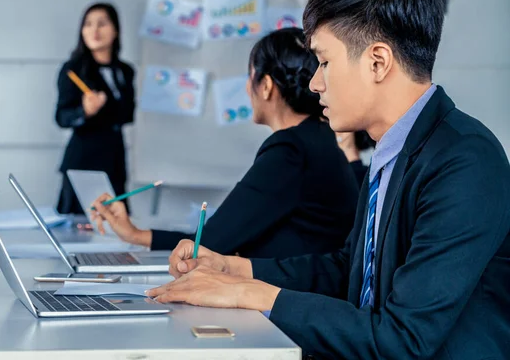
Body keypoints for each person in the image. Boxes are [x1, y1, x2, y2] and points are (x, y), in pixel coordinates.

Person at [146, 0, 510, 359]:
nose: (315, 83)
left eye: (324, 62)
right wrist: (235, 270)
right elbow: (348, 269)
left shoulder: (464, 161)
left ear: (377, 61)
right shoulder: (395, 150)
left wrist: (252, 294)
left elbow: (403, 338)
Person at [91, 27, 359, 259]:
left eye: (250, 76)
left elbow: (209, 243)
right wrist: (136, 235)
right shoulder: (317, 137)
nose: (246, 88)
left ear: (265, 86)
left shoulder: (290, 151)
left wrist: (136, 235)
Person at [55, 3, 136, 216]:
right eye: (88, 24)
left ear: (115, 30)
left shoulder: (125, 71)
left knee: (118, 224)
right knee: (79, 227)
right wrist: (85, 111)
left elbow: (127, 114)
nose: (94, 31)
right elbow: (61, 117)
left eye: (102, 23)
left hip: (115, 159)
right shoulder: (73, 70)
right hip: (83, 160)